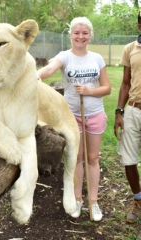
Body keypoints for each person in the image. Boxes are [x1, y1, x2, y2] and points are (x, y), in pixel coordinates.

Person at [37, 16, 111, 221]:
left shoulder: (97, 58)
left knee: (93, 158)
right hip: (71, 116)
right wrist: (36, 76)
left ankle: (93, 202)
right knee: (76, 158)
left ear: (90, 35)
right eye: (76, 33)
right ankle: (77, 199)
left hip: (95, 114)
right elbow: (50, 69)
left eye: (85, 33)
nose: (81, 36)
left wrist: (89, 90)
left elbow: (107, 88)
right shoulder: (65, 56)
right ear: (71, 35)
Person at [114, 10, 141, 227]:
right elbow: (125, 83)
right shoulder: (130, 49)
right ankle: (139, 200)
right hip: (133, 110)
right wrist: (119, 112)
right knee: (129, 159)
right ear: (139, 26)